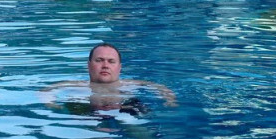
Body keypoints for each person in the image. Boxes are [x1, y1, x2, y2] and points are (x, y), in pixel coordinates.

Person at [41, 43, 177, 113]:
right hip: (88, 113)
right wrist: (50, 103)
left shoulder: (130, 84)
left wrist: (170, 100)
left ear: (119, 67)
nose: (105, 65)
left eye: (111, 61)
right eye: (99, 60)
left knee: (142, 131)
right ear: (88, 65)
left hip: (125, 110)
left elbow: (158, 87)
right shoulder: (78, 86)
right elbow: (47, 90)